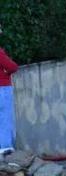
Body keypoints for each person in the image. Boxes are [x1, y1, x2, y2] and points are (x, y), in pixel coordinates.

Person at [0, 24, 19, 159]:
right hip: (2, 87)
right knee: (5, 117)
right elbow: (12, 66)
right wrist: (6, 72)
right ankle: (5, 148)